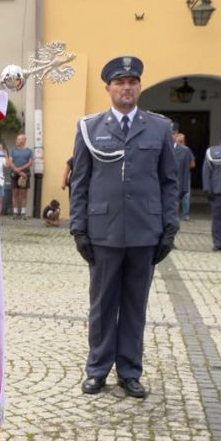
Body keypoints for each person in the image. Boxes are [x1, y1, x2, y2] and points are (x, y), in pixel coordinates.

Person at [70, 55, 178, 400]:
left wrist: (169, 227)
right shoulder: (90, 128)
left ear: (139, 87)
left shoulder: (159, 128)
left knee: (135, 305)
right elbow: (80, 183)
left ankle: (130, 371)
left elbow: (169, 182)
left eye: (132, 82)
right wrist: (78, 228)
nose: (126, 88)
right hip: (103, 231)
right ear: (109, 88)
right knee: (102, 305)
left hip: (145, 231)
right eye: (120, 83)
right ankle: (97, 370)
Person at [172, 131, 194, 221]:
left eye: (182, 141)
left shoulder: (186, 150)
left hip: (183, 176)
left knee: (185, 196)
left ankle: (186, 214)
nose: (181, 142)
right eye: (179, 140)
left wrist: (182, 166)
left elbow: (192, 164)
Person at [10, 134, 33, 219]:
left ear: (23, 141)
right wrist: (17, 170)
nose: (17, 141)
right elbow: (10, 161)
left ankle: (23, 213)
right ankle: (15, 213)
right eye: (17, 139)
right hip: (14, 173)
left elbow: (30, 162)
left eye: (19, 139)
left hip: (25, 174)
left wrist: (20, 170)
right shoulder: (13, 150)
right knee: (15, 193)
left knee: (24, 194)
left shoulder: (29, 151)